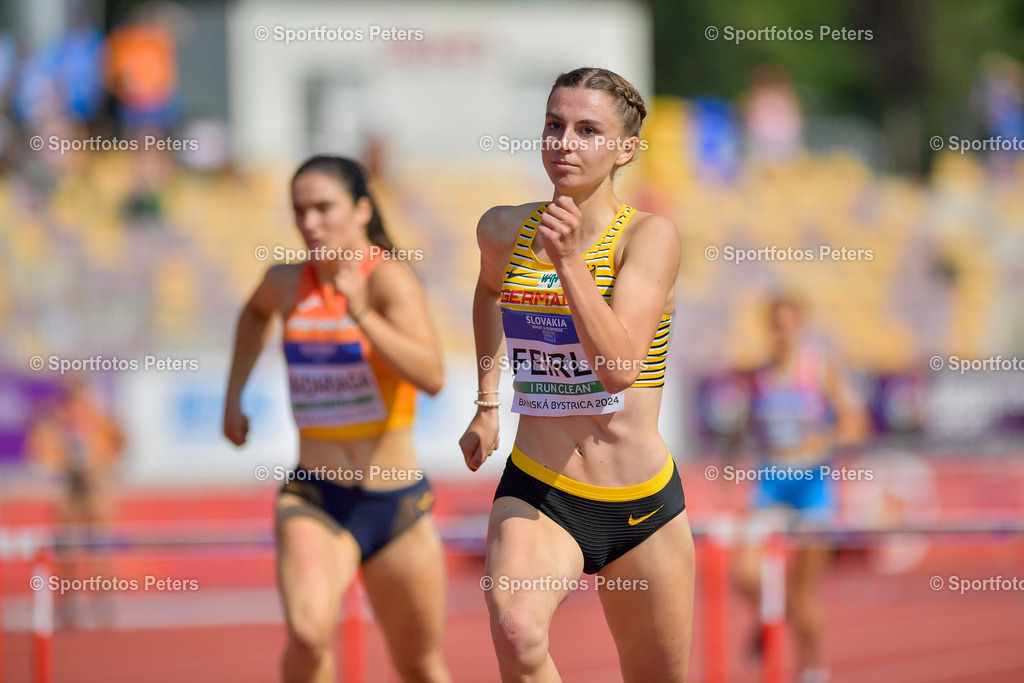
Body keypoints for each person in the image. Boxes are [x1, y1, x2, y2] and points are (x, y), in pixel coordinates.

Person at [459, 67, 694, 682]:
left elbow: (619, 369)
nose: (565, 142)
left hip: (641, 504)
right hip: (542, 487)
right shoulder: (502, 229)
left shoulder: (648, 238)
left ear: (625, 150)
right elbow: (487, 293)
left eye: (588, 130)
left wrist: (569, 264)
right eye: (554, 125)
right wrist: (488, 402)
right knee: (516, 628)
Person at [224, 156, 450, 683]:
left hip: (396, 504)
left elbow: (433, 375)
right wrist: (233, 396)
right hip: (315, 496)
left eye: (324, 208)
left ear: (361, 210)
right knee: (307, 636)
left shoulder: (389, 279)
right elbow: (254, 313)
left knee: (420, 666)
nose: (309, 224)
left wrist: (362, 315)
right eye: (299, 211)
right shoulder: (284, 282)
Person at [732, 295, 867, 683]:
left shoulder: (820, 368)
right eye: (776, 323)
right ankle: (771, 611)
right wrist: (729, 468)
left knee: (804, 593)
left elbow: (855, 423)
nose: (783, 331)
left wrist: (823, 442)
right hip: (771, 483)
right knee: (745, 573)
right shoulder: (758, 376)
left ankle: (812, 671)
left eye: (789, 323)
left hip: (813, 486)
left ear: (801, 325)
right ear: (769, 326)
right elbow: (747, 431)